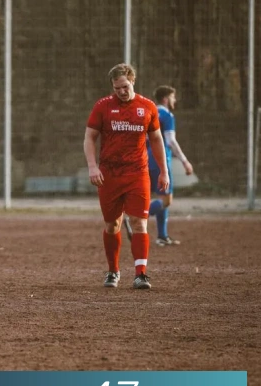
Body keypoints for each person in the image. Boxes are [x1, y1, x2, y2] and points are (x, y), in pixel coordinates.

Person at [83, 63, 170, 290]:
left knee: (139, 222)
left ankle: (141, 274)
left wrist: (164, 171)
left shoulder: (147, 107)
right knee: (112, 225)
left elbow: (157, 139)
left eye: (125, 86)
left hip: (137, 173)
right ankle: (113, 271)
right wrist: (92, 166)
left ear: (133, 81)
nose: (121, 91)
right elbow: (90, 137)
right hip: (109, 175)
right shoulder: (103, 106)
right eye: (116, 88)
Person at [144, 85, 193, 246]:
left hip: (146, 159)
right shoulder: (167, 115)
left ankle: (162, 236)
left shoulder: (148, 113)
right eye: (173, 97)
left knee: (161, 197)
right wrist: (185, 161)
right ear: (165, 99)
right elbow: (170, 141)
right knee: (166, 201)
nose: (174, 100)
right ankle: (137, 216)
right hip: (161, 161)